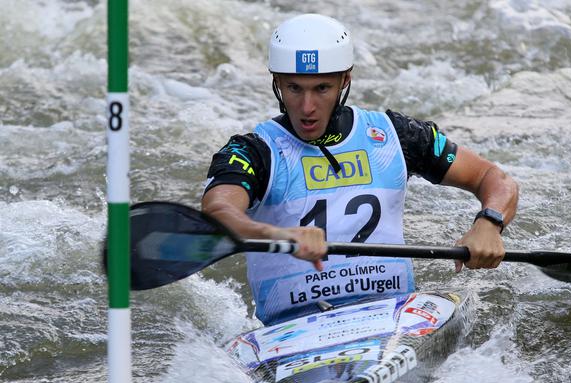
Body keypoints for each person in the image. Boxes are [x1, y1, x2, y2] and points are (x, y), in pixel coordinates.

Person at [202, 14, 518, 325]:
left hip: (392, 318)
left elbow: (494, 179)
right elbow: (218, 210)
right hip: (291, 328)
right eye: (294, 88)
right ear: (277, 84)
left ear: (345, 80)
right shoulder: (255, 150)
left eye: (322, 88)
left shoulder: (395, 135)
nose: (307, 106)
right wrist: (276, 234)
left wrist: (489, 223)